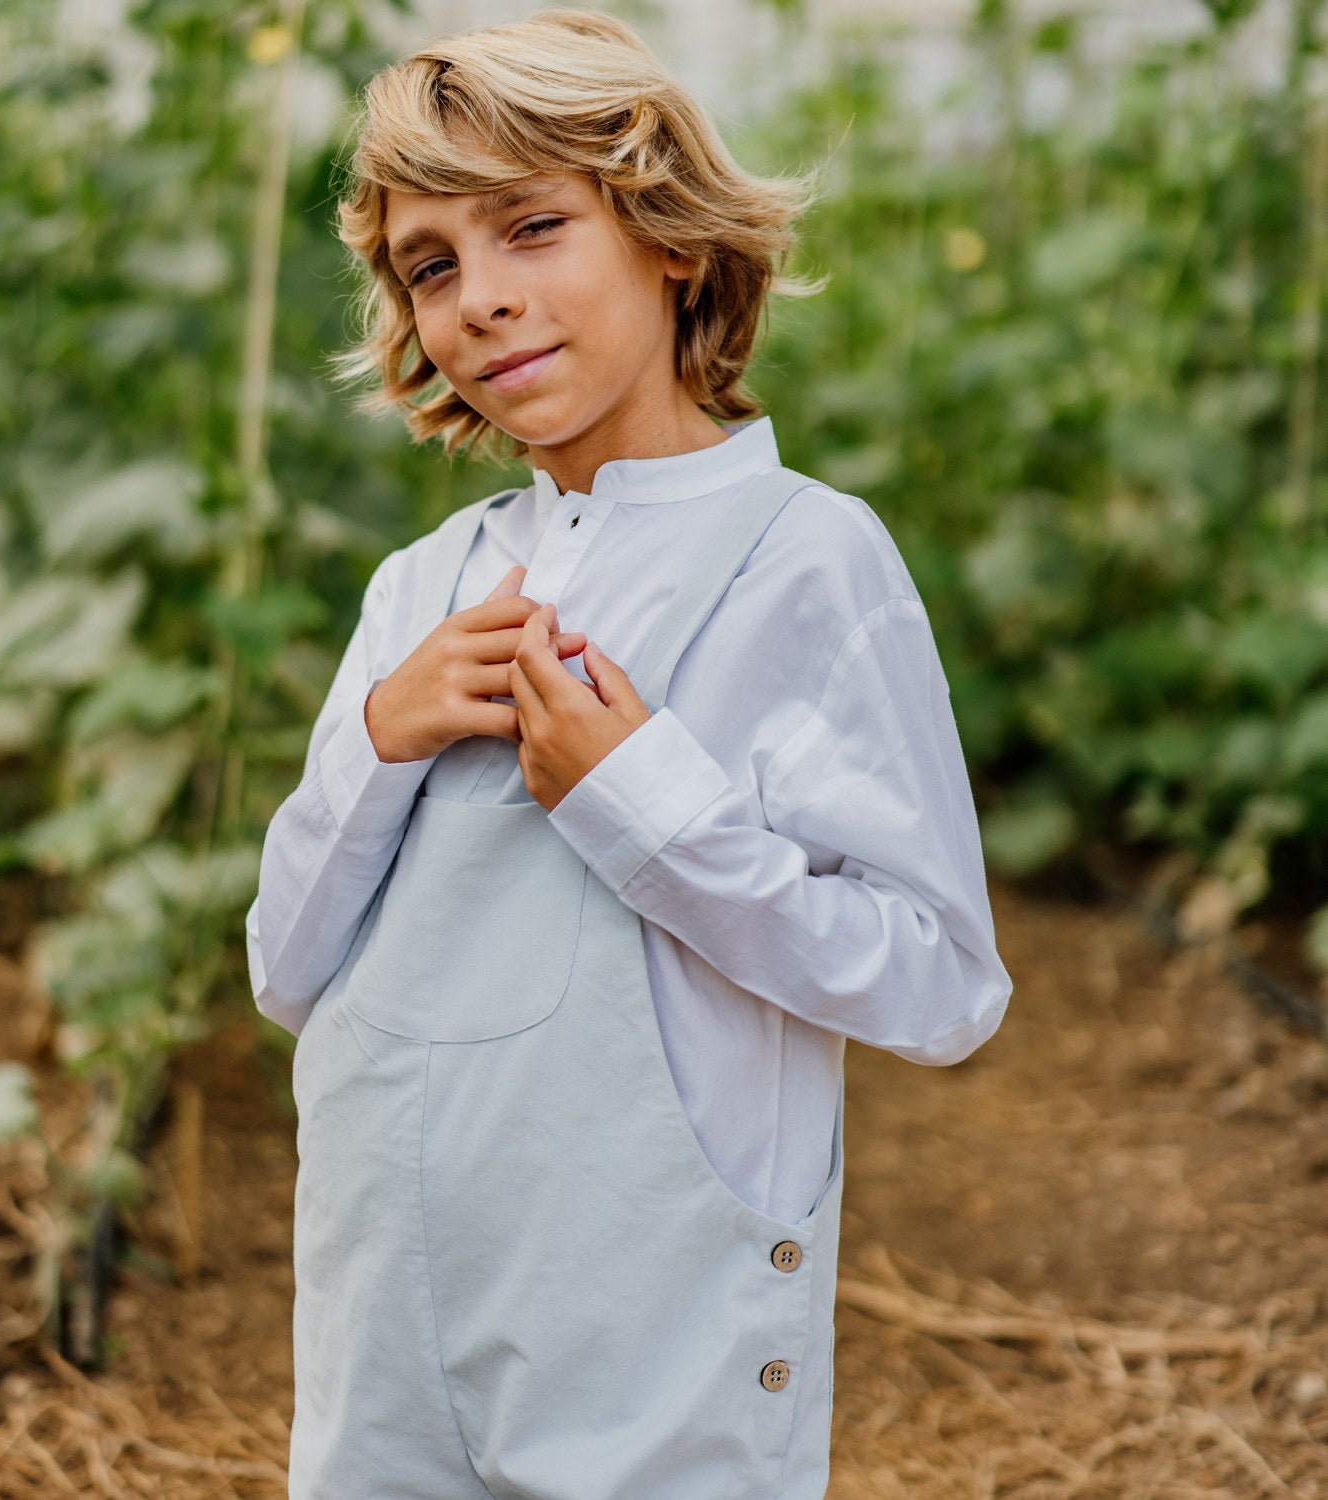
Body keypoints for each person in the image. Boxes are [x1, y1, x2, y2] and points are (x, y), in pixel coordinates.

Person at [244, 9, 1012, 1497]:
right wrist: (381, 740)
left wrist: (640, 800)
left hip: (649, 1307)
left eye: (534, 226)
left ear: (669, 238)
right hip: (381, 1301)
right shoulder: (421, 585)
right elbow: (285, 969)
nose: (482, 299)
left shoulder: (804, 560)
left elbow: (943, 984)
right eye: (434, 264)